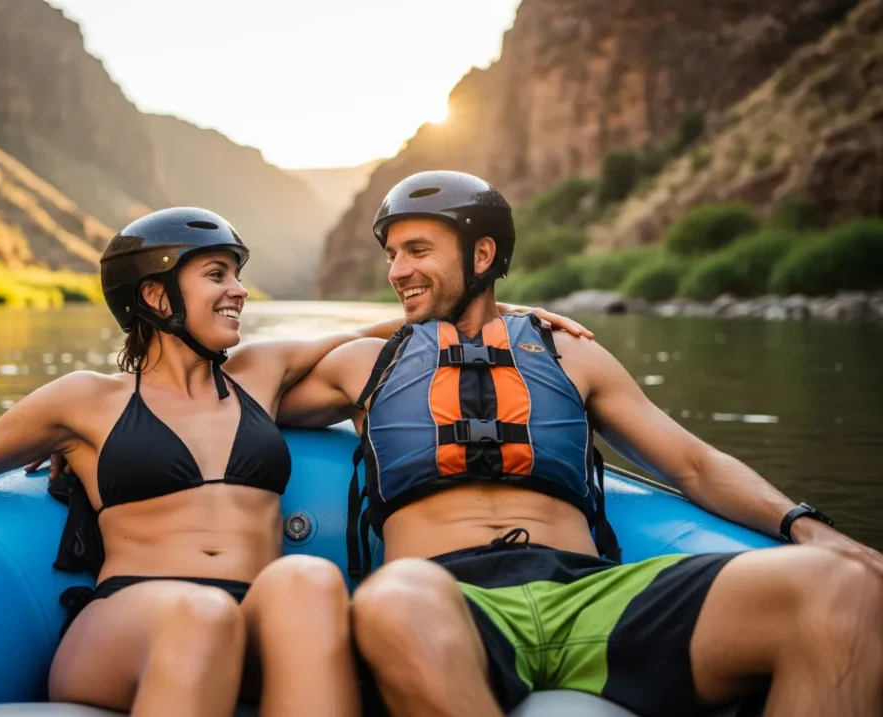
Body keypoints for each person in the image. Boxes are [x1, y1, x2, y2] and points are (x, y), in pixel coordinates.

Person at [0, 205, 588, 717]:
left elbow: (401, 327)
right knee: (201, 615)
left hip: (252, 618)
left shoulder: (260, 373)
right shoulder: (83, 401)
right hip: (128, 624)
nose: (239, 290)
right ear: (155, 294)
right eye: (217, 274)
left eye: (237, 273)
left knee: (305, 576)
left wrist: (508, 317)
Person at [277, 171, 883, 717]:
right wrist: (379, 325)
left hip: (590, 595)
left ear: (482, 254)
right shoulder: (365, 364)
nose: (397, 271)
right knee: (393, 600)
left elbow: (696, 466)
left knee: (844, 588)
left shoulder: (571, 353)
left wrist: (810, 528)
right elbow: (240, 385)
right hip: (449, 599)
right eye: (391, 255)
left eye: (417, 251)